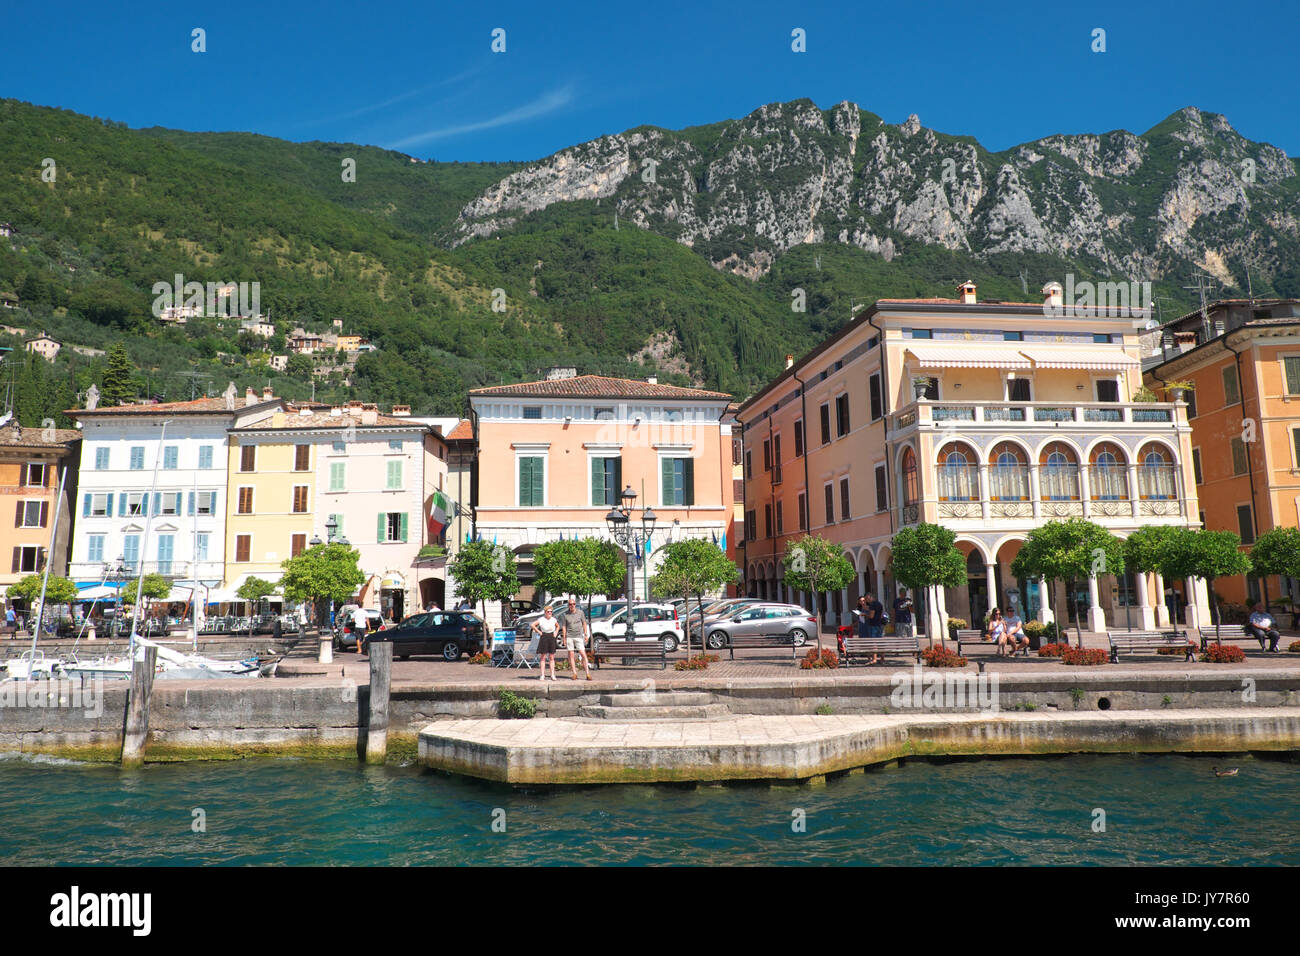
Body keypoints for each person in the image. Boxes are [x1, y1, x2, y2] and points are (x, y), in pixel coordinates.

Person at [559, 598, 593, 681]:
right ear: (568, 605)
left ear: (575, 604)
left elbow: (584, 623)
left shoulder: (580, 613)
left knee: (583, 653)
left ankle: (587, 673)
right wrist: (564, 638)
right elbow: (564, 626)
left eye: (573, 604)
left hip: (578, 636)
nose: (572, 606)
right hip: (569, 636)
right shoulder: (565, 615)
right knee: (571, 654)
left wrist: (585, 634)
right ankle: (574, 673)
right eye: (570, 604)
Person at [531, 605, 560, 681]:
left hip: (551, 636)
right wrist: (539, 632)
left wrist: (556, 632)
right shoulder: (541, 619)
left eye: (551, 612)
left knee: (551, 657)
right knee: (543, 657)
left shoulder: (553, 619)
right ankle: (542, 675)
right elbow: (532, 625)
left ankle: (552, 674)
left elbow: (558, 626)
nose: (549, 613)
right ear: (545, 612)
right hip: (544, 636)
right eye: (548, 612)